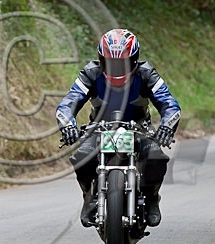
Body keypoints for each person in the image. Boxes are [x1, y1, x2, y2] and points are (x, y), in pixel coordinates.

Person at [55, 28, 181, 227]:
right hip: (99, 129)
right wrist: (68, 126)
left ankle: (152, 197)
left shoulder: (146, 73)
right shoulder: (90, 73)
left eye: (121, 64)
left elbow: (169, 104)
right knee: (82, 156)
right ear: (101, 59)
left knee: (156, 157)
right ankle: (89, 197)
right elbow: (68, 103)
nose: (116, 69)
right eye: (111, 63)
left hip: (138, 129)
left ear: (134, 59)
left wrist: (166, 127)